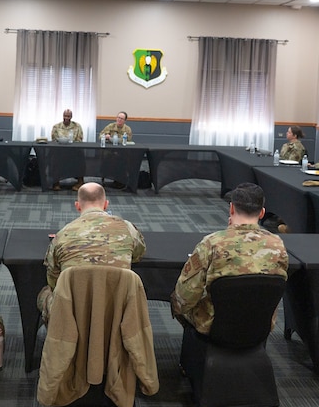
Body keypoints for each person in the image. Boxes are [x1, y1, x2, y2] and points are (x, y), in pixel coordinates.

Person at [171, 183, 288, 335]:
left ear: (231, 208)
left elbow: (184, 298)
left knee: (181, 300)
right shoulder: (278, 246)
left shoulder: (212, 243)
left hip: (214, 327)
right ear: (262, 213)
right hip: (260, 325)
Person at [37, 182, 146, 323]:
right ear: (106, 205)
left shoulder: (62, 236)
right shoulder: (128, 228)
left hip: (74, 312)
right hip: (116, 309)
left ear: (77, 206)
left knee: (44, 295)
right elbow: (138, 254)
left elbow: (54, 282)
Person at [50, 109, 85, 191]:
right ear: (63, 116)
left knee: (81, 157)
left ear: (71, 117)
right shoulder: (56, 126)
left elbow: (79, 139)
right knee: (54, 158)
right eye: (65, 116)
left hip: (74, 151)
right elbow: (54, 139)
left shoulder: (77, 126)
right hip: (60, 151)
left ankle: (80, 182)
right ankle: (55, 182)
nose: (66, 118)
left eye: (68, 116)